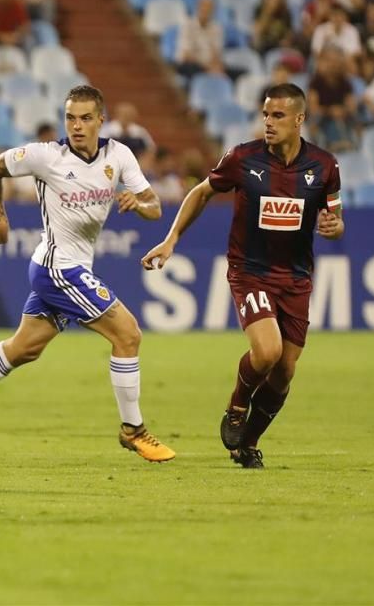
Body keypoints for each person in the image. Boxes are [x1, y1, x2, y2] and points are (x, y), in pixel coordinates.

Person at [0, 86, 175, 462]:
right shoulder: (47, 156)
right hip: (58, 268)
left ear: (100, 120)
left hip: (70, 267)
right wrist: (0, 219)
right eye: (70, 118)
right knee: (128, 334)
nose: (76, 126)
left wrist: (139, 204)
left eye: (85, 118)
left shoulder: (119, 155)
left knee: (23, 348)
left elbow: (155, 206)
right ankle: (133, 430)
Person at [142, 84, 343, 469]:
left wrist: (335, 227)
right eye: (265, 114)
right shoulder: (242, 158)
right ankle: (237, 405)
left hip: (297, 277)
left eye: (278, 116)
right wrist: (171, 240)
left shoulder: (324, 166)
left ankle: (246, 443)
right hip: (250, 271)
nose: (268, 122)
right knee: (266, 352)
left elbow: (334, 217)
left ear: (299, 119)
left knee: (284, 371)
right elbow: (201, 193)